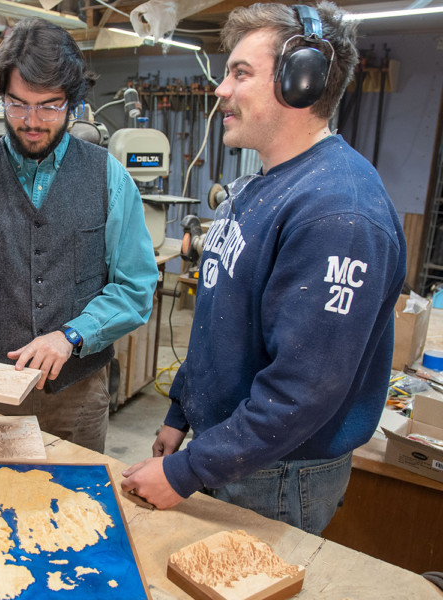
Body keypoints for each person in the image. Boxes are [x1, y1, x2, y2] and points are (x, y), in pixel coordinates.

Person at [121, 1, 407, 535]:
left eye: (240, 73)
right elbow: (219, 321)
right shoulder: (260, 184)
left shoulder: (339, 212)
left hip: (277, 473)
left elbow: (303, 390)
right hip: (231, 450)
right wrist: (181, 415)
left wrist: (185, 472)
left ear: (303, 81)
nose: (220, 89)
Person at [0, 18, 159, 453]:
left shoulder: (109, 178)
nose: (32, 122)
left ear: (73, 103)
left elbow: (135, 287)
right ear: (2, 98)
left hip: (77, 396)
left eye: (49, 106)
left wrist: (72, 335)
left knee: (74, 510)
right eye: (18, 105)